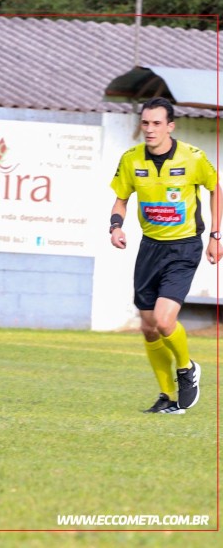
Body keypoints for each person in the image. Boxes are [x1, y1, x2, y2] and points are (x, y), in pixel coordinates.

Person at [109, 96, 220, 415]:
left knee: (163, 319)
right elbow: (121, 199)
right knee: (148, 327)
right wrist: (115, 227)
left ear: (170, 126)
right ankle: (167, 398)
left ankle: (187, 368)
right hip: (150, 247)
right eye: (145, 123)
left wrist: (215, 235)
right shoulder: (131, 159)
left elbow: (216, 188)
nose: (150, 129)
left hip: (184, 247)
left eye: (157, 123)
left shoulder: (192, 157)